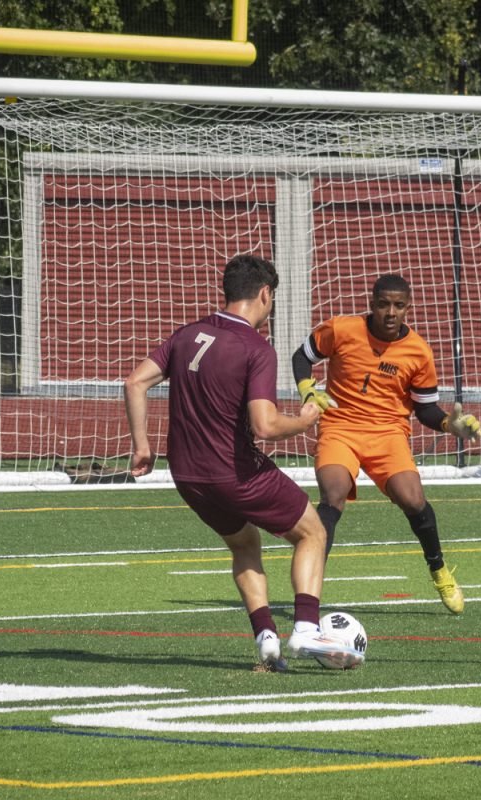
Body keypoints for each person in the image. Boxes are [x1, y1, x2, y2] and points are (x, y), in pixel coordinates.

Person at [124, 254, 363, 671]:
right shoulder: (256, 347)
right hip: (233, 471)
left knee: (244, 543)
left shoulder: (188, 334)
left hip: (187, 475)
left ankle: (267, 639)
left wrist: (142, 446)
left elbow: (135, 381)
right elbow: (265, 426)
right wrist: (306, 419)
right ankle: (306, 627)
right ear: (265, 294)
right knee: (313, 532)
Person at [291, 273, 481, 615]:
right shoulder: (341, 329)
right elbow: (301, 357)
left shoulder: (419, 352)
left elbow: (424, 409)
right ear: (372, 305)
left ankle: (439, 571)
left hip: (388, 433)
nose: (390, 312)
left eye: (398, 306)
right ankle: (310, 596)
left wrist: (448, 424)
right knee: (332, 497)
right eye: (383, 305)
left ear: (408, 308)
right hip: (340, 427)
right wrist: (308, 389)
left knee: (414, 499)